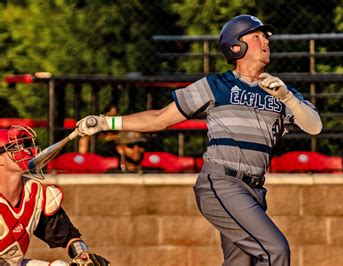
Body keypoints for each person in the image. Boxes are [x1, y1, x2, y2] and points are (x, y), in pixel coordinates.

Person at [76, 14, 322, 265]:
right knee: (275, 250)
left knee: (240, 262)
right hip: (223, 183)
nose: (266, 42)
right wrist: (107, 122)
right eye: (257, 36)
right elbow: (161, 118)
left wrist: (287, 98)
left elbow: (314, 126)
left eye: (266, 37)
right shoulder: (217, 84)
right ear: (236, 46)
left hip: (255, 191)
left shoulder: (279, 90)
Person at [0, 125, 109, 265]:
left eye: (24, 145)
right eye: (15, 147)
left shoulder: (35, 194)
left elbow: (69, 236)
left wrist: (83, 254)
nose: (25, 150)